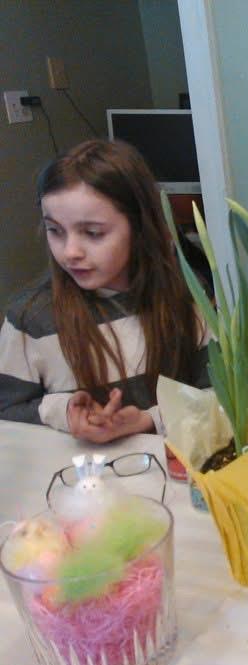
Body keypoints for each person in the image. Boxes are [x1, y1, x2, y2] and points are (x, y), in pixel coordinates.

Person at [0, 139, 209, 443]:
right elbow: (7, 411)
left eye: (93, 233)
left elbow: (216, 396)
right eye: (55, 230)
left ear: (140, 228)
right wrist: (65, 413)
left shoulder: (186, 297)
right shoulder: (30, 318)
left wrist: (147, 419)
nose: (70, 251)